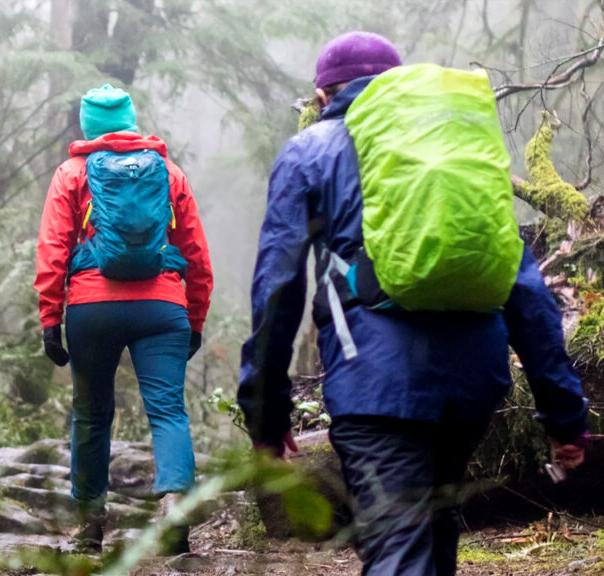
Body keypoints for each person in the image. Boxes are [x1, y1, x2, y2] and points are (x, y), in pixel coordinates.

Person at [238, 31, 588, 576]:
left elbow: (278, 285)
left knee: (398, 548)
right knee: (434, 527)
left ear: (323, 95)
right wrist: (565, 414)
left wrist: (265, 413)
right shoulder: (457, 150)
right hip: (473, 383)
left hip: (375, 386)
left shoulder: (310, 150)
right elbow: (524, 287)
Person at [34, 84, 213, 553]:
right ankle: (174, 502)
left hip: (92, 309)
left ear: (87, 126)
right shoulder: (168, 172)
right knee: (168, 410)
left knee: (92, 416)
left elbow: (53, 249)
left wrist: (50, 318)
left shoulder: (72, 173)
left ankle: (90, 525)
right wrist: (194, 318)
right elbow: (195, 252)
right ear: (131, 121)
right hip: (163, 306)